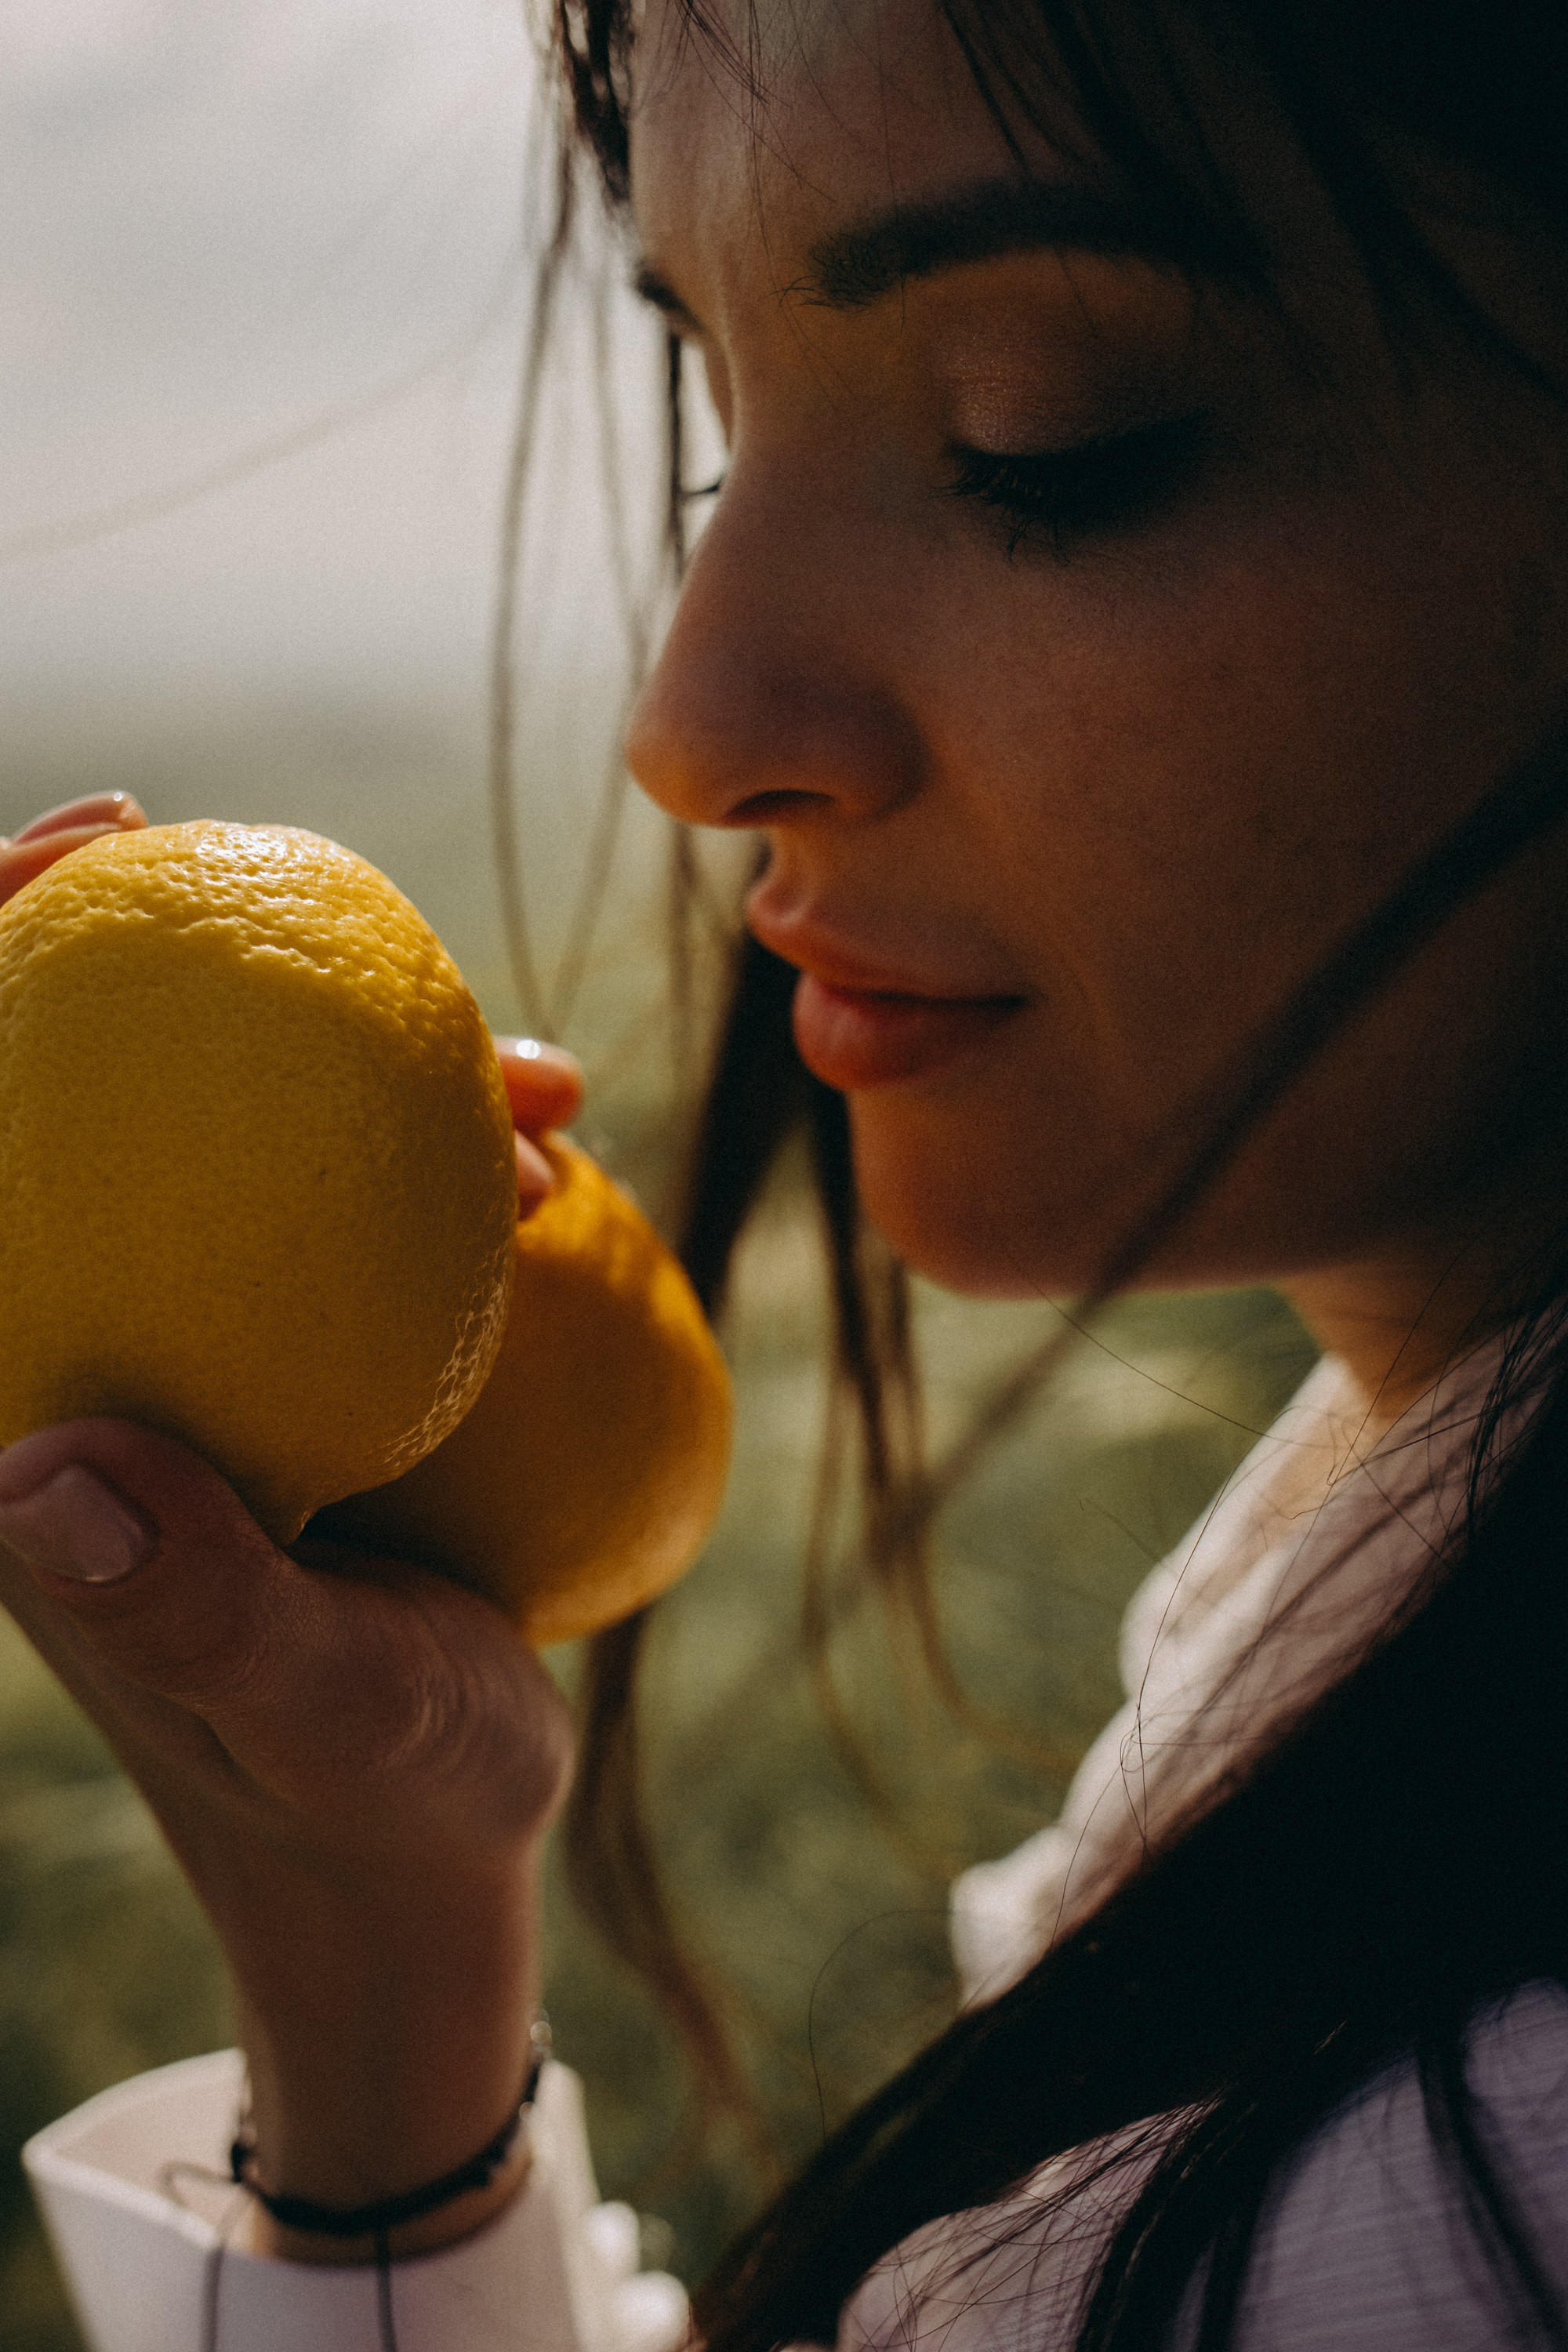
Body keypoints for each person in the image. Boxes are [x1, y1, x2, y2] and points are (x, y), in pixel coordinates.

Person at [9, 0, 1568, 2344]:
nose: (686, 724)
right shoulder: (1393, 1606)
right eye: (720, 443)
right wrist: (380, 1970)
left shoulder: (1434, 2225)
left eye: (1044, 438)